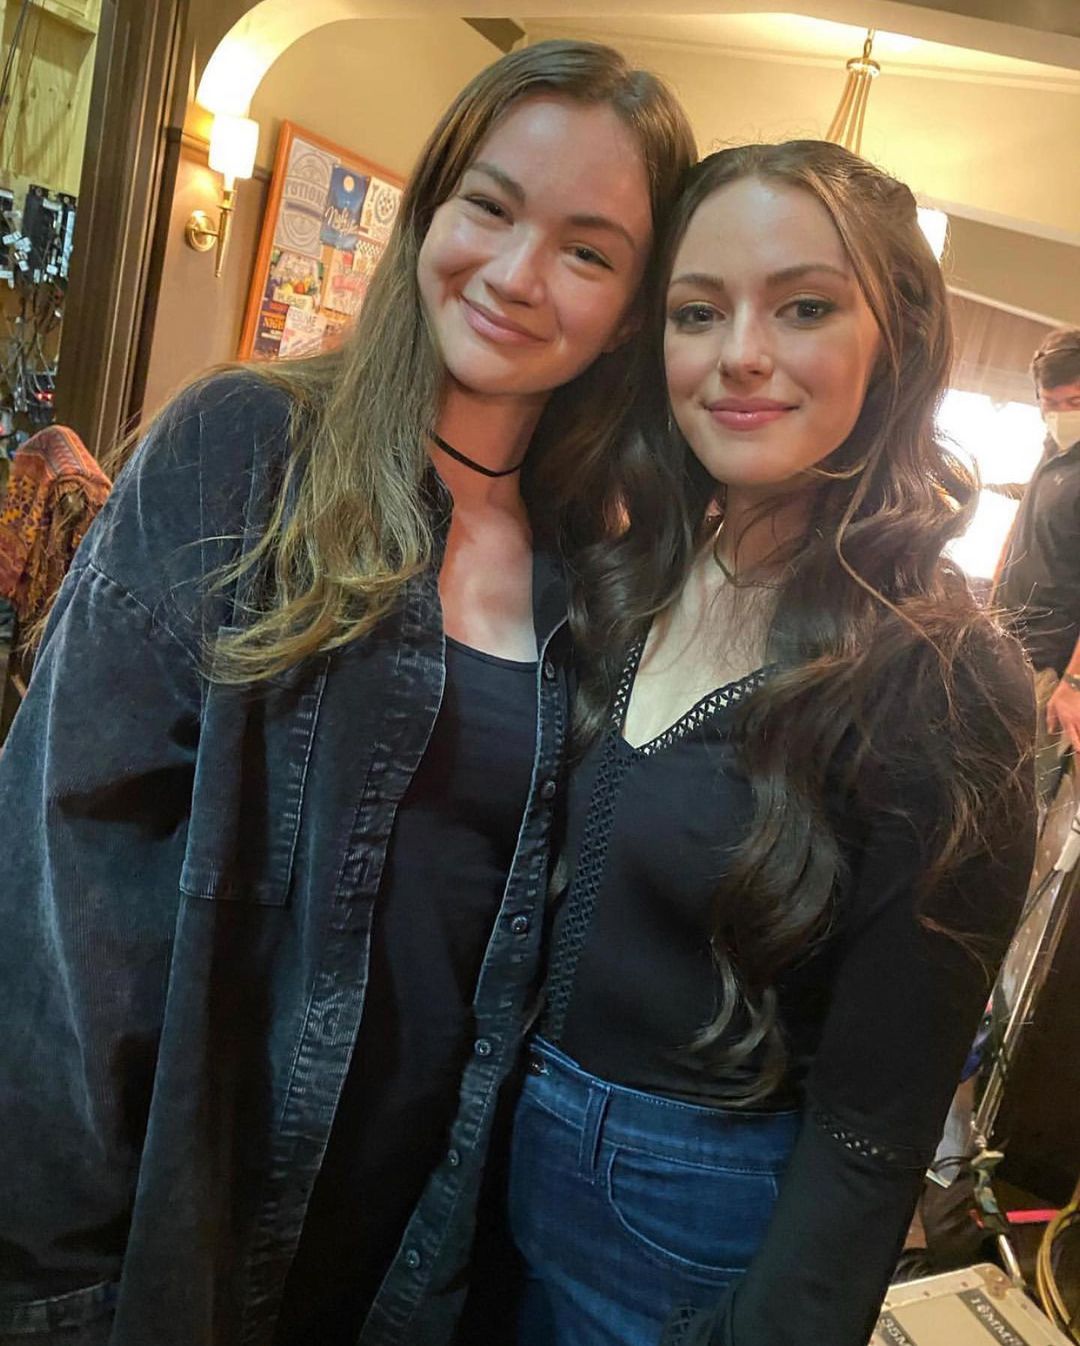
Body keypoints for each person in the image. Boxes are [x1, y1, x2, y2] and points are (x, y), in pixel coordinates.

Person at [0, 41, 695, 1346]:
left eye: (588, 251)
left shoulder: (600, 571)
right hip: (180, 1221)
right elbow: (60, 869)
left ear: (631, 309)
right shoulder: (244, 446)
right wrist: (56, 1277)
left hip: (420, 1243)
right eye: (490, 205)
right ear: (430, 208)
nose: (516, 272)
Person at [508, 140, 1037, 1346]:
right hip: (498, 1156)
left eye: (803, 307)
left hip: (696, 1228)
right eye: (698, 312)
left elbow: (875, 1126)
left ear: (896, 340)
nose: (739, 352)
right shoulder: (622, 574)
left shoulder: (946, 681)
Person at [995, 327, 1080, 803]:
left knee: (1022, 806)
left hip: (1052, 670)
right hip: (1007, 646)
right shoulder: (1053, 453)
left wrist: (1075, 684)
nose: (1062, 414)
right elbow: (1021, 534)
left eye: (1076, 402)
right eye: (1051, 403)